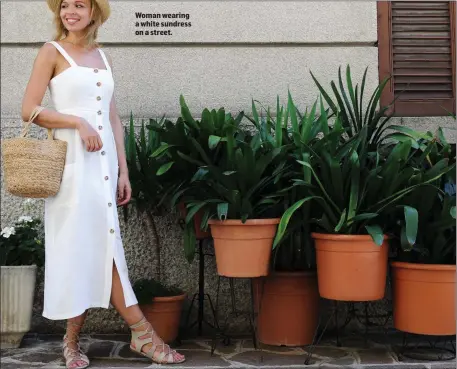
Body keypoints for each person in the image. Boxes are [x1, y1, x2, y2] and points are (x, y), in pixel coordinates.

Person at [20, 0, 186, 367]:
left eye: (80, 4)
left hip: (105, 166)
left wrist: (124, 171)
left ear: (95, 13)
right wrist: (76, 124)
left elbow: (113, 121)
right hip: (73, 168)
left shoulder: (102, 56)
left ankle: (73, 340)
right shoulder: (52, 51)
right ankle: (141, 333)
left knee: (101, 244)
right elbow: (29, 109)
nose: (71, 11)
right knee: (85, 246)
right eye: (65, 5)